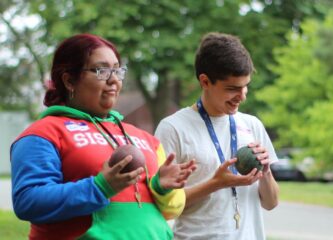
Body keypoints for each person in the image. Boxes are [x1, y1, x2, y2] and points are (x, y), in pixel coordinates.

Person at [10, 33, 196, 240]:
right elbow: (27, 202)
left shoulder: (145, 138)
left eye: (117, 70)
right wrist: (100, 187)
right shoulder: (43, 133)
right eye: (102, 70)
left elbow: (172, 209)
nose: (114, 79)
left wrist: (161, 187)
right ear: (69, 80)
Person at [155, 32, 279, 240]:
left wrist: (265, 172)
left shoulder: (252, 125)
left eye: (245, 86)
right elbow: (163, 206)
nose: (242, 96)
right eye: (232, 88)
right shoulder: (173, 128)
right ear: (205, 81)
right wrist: (216, 183)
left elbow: (271, 203)